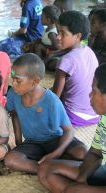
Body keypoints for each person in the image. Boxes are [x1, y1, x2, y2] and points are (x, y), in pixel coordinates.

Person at [4, 53, 87, 174]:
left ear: (35, 81)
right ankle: (52, 168)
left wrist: (57, 152)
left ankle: (50, 164)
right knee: (11, 160)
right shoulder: (13, 95)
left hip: (56, 140)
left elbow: (69, 131)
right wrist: (18, 142)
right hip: (33, 143)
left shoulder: (52, 101)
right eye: (13, 78)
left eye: (18, 80)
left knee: (82, 152)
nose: (14, 84)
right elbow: (14, 115)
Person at [38, 64, 106, 193]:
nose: (90, 95)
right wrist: (81, 179)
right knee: (46, 169)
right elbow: (95, 153)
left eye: (94, 91)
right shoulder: (104, 117)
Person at [52, 11, 99, 127]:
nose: (58, 37)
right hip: (95, 114)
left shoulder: (66, 60)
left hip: (73, 116)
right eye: (58, 32)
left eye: (63, 33)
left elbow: (55, 98)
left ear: (77, 36)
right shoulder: (89, 52)